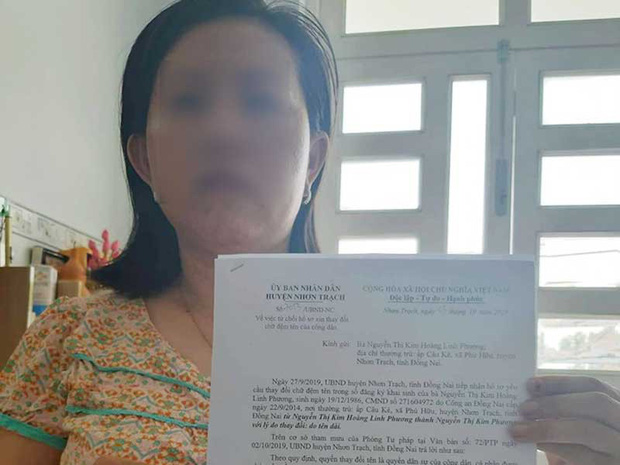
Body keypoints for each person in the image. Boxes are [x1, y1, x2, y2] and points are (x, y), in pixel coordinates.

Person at [0, 0, 618, 464]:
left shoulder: (423, 356)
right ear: (144, 159)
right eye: (188, 102)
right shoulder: (68, 338)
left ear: (314, 159)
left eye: (259, 102)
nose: (223, 131)